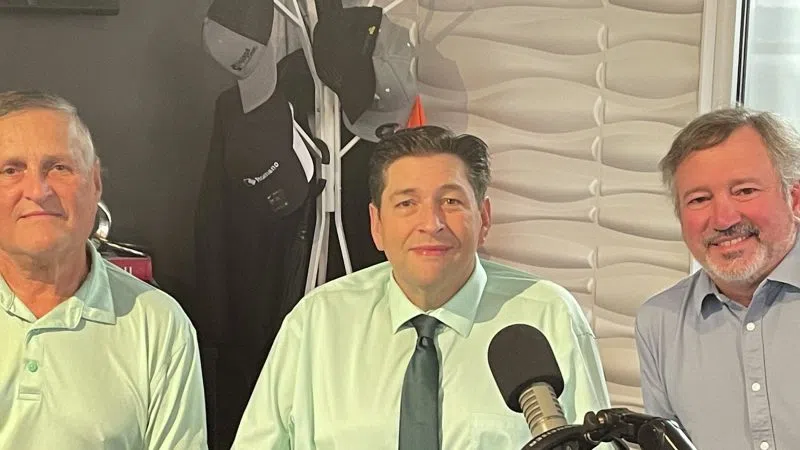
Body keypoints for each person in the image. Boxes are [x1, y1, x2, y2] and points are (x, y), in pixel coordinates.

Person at [231, 125, 611, 449]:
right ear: (377, 225)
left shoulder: (548, 317)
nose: (431, 223)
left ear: (484, 218)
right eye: (407, 204)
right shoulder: (316, 323)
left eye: (451, 201)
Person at [0, 90, 208, 449]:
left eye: (59, 167)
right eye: (10, 170)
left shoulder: (159, 325)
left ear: (95, 182)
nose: (37, 190)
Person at [635, 107, 800, 450]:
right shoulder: (659, 322)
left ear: (795, 199)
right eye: (699, 199)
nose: (723, 219)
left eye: (744, 191)